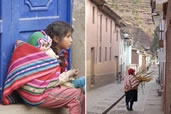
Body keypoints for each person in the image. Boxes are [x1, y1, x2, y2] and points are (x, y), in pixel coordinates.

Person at [2, 21, 85, 114]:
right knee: (77, 95)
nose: (71, 40)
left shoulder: (46, 56)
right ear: (57, 38)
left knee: (76, 93)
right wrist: (69, 74)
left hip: (30, 94)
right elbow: (53, 81)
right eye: (68, 36)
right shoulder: (49, 56)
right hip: (37, 95)